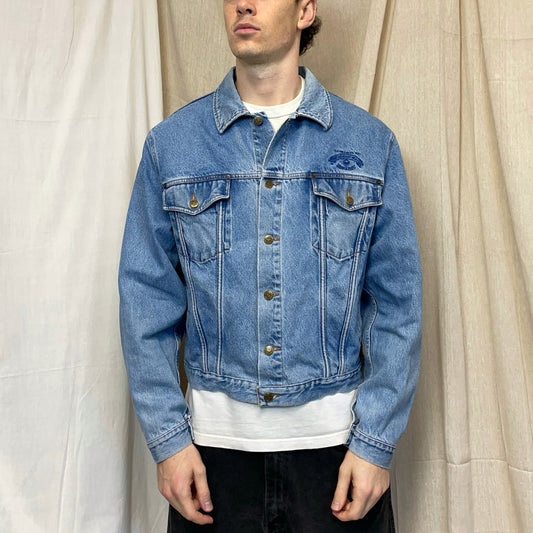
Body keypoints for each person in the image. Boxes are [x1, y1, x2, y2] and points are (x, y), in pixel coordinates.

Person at [118, 1, 422, 531]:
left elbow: (398, 304)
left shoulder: (370, 144)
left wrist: (374, 443)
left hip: (338, 459)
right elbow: (145, 297)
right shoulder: (173, 145)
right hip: (213, 463)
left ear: (305, 11)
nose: (243, 3)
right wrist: (168, 442)